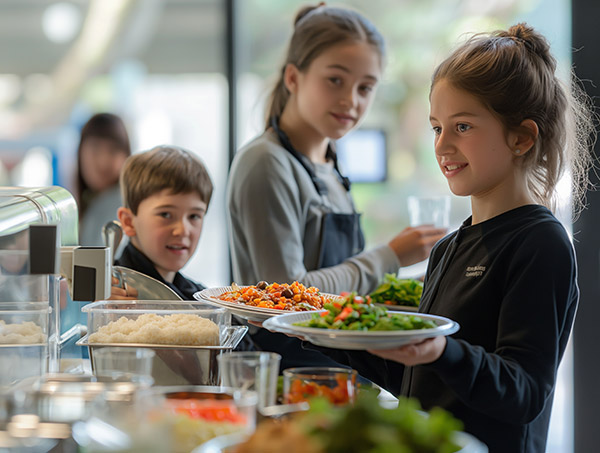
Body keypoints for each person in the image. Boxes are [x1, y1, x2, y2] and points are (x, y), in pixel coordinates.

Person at [349, 24, 594, 453]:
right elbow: (419, 379)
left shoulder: (541, 243)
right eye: (436, 128)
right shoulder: (449, 246)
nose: (442, 145)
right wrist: (329, 335)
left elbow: (524, 392)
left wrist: (443, 351)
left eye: (462, 126)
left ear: (522, 137)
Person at [226, 4, 446, 369]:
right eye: (335, 80)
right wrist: (389, 256)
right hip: (285, 373)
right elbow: (287, 292)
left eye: (366, 87)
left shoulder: (331, 163)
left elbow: (343, 288)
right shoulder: (267, 162)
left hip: (337, 368)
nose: (351, 100)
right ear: (293, 78)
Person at [111, 145, 213, 300]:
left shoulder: (202, 299)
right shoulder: (107, 295)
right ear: (128, 222)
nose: (183, 230)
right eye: (166, 214)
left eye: (194, 216)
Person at [76, 113, 131, 246]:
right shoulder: (93, 201)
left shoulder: (119, 204)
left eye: (113, 150)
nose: (103, 161)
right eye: (95, 149)